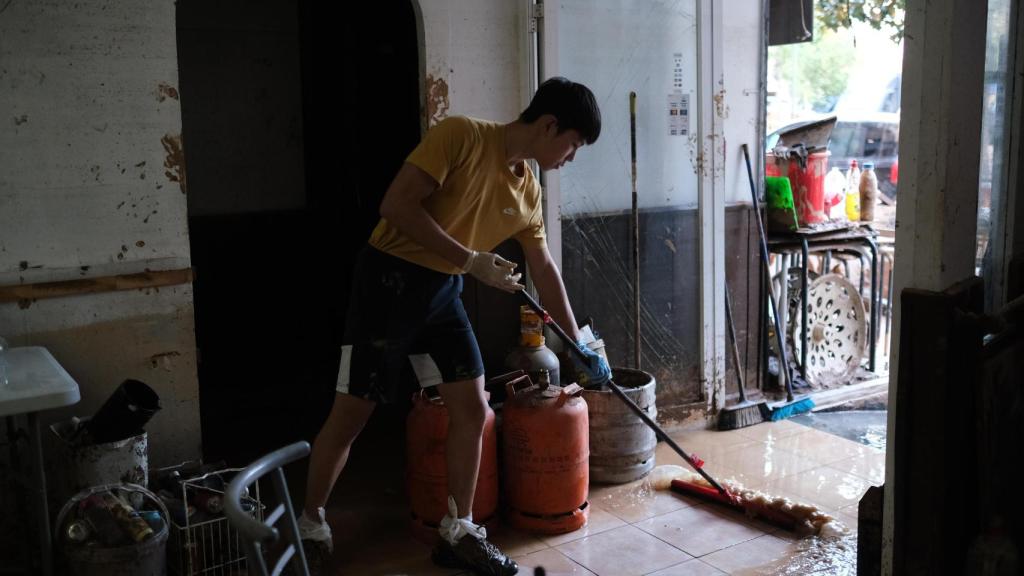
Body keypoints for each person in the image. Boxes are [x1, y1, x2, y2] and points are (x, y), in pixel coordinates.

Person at [297, 76, 611, 576]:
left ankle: (458, 531)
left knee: (473, 407)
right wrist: (471, 261)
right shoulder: (462, 135)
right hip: (389, 282)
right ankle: (311, 525)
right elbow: (395, 206)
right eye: (572, 144)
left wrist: (580, 343)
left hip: (443, 291)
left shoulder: (527, 187)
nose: (570, 158)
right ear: (549, 125)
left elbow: (544, 270)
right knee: (352, 415)